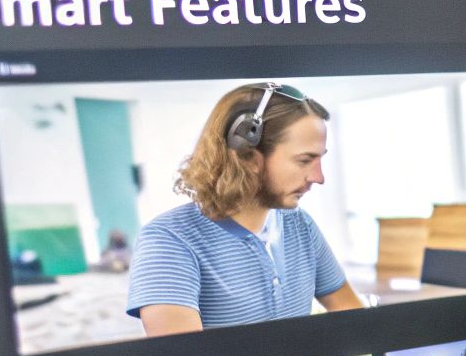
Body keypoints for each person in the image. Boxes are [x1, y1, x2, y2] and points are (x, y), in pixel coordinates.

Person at [127, 82, 366, 336]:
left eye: (320, 159)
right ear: (247, 156)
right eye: (304, 160)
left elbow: (355, 320)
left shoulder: (299, 224)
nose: (318, 177)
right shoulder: (168, 241)